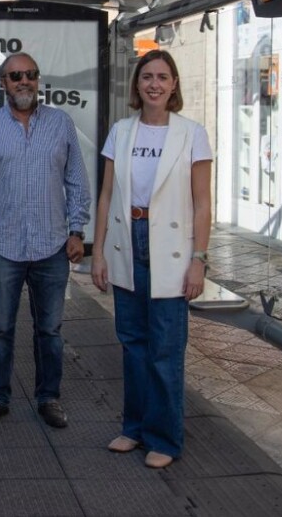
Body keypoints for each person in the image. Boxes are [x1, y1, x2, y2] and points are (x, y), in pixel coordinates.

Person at [90, 49, 212, 469]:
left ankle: (165, 438)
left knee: (165, 347)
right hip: (128, 242)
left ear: (174, 84)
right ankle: (134, 428)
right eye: (147, 77)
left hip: (171, 247)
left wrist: (199, 259)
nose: (154, 84)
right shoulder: (121, 132)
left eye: (162, 77)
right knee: (133, 344)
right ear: (137, 84)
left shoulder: (192, 134)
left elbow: (202, 204)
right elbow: (107, 195)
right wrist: (98, 252)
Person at [0, 52, 90, 431]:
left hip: (52, 246)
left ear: (38, 79)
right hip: (1, 246)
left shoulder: (61, 124)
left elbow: (77, 180)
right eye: (15, 75)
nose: (24, 81)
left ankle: (49, 397)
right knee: (0, 329)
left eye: (30, 74)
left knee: (49, 331)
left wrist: (77, 230)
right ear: (3, 83)